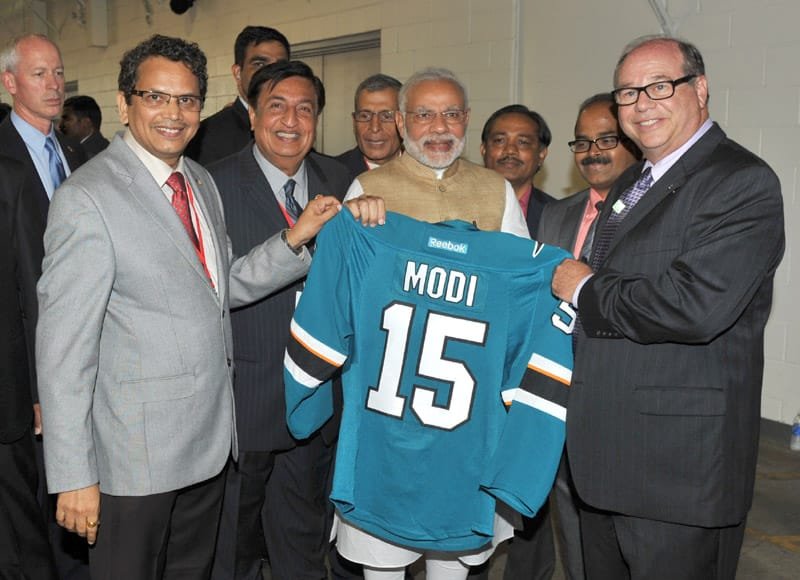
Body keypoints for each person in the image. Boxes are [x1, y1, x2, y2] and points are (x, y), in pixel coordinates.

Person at [35, 34, 346, 580]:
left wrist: (294, 240)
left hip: (207, 450)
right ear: (124, 103)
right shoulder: (86, 198)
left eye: (187, 100)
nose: (173, 114)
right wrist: (74, 475)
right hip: (132, 464)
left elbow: (222, 286)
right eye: (156, 97)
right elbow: (63, 352)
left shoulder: (198, 180)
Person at [551, 35, 785, 580]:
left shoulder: (740, 181)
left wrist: (584, 290)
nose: (641, 104)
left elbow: (695, 306)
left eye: (659, 86)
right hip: (604, 459)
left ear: (700, 89)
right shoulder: (632, 181)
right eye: (627, 93)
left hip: (676, 473)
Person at [342, 68, 542, 580]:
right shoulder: (368, 189)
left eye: (451, 114)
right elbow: (344, 293)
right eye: (425, 114)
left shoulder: (494, 190)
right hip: (389, 408)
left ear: (467, 119)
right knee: (382, 554)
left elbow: (522, 294)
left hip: (466, 410)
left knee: (453, 558)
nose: (439, 127)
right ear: (402, 121)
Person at [207, 60, 352, 580]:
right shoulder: (212, 184)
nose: (291, 120)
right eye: (276, 106)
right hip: (244, 401)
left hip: (317, 398)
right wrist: (297, 237)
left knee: (304, 548)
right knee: (233, 551)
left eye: (305, 109)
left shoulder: (343, 181)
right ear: (251, 115)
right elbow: (215, 288)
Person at [531, 93, 639, 580]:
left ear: (631, 142)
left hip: (623, 397)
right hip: (561, 388)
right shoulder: (557, 215)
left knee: (625, 532)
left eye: (606, 139)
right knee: (570, 514)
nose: (593, 152)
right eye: (583, 141)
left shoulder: (652, 213)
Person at [0, 33, 89, 579]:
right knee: (33, 513)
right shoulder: (4, 163)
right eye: (39, 74)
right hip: (26, 374)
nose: (55, 84)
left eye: (58, 72)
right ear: (10, 83)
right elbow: (16, 293)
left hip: (84, 353)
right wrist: (40, 387)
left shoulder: (78, 155)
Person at [0, 154, 58, 580]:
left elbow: (29, 287)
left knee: (18, 534)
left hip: (7, 389)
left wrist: (40, 387)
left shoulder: (9, 177)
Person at [186, 25, 290, 165]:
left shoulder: (296, 128)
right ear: (238, 73)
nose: (272, 74)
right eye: (259, 64)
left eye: (281, 67)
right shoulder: (204, 138)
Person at [480, 104, 554, 238]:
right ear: (483, 150)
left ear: (541, 154)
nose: (510, 150)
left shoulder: (560, 216)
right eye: (499, 140)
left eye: (523, 142)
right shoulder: (457, 202)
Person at [336, 73, 402, 182]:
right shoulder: (332, 175)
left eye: (386, 116)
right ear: (354, 122)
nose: (375, 128)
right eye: (365, 116)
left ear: (403, 121)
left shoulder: (426, 172)